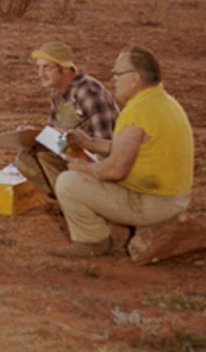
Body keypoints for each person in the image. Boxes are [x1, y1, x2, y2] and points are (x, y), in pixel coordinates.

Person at [51, 45, 194, 258]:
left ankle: (92, 241)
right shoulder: (163, 102)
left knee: (68, 182)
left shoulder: (136, 112)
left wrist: (84, 168)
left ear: (134, 78)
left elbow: (116, 170)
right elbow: (132, 146)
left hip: (152, 204)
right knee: (97, 159)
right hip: (174, 199)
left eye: (117, 75)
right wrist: (90, 143)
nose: (114, 80)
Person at [15, 41, 119, 200]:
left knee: (46, 156)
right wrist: (34, 134)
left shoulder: (88, 92)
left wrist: (63, 142)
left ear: (64, 69)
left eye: (47, 68)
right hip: (74, 152)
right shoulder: (58, 93)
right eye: (39, 68)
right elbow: (55, 132)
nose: (40, 74)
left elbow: (106, 143)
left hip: (100, 160)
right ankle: (61, 199)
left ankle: (80, 202)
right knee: (25, 158)